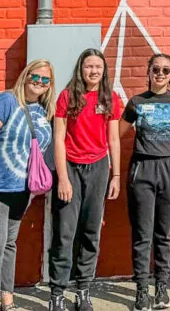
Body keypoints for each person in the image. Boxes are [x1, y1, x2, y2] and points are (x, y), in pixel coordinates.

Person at [0, 59, 56, 311]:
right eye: (35, 76)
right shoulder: (5, 101)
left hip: (20, 190)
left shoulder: (44, 110)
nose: (39, 82)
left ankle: (7, 300)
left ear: (50, 85)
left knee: (8, 244)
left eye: (45, 79)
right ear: (25, 76)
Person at [49, 50, 122, 311]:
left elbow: (113, 139)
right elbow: (58, 138)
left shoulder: (110, 98)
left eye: (98, 67)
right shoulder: (67, 96)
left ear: (104, 70)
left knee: (91, 232)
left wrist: (116, 175)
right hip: (70, 167)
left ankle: (83, 290)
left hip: (99, 168)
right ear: (81, 68)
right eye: (89, 66)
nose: (93, 71)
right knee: (64, 233)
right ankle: (57, 293)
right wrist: (63, 178)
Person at [121, 54, 170, 311]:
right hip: (143, 170)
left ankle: (161, 287)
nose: (160, 74)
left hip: (169, 169)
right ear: (148, 72)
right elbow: (115, 135)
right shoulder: (136, 102)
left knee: (163, 234)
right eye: (156, 69)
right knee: (142, 234)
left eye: (166, 70)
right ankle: (141, 290)